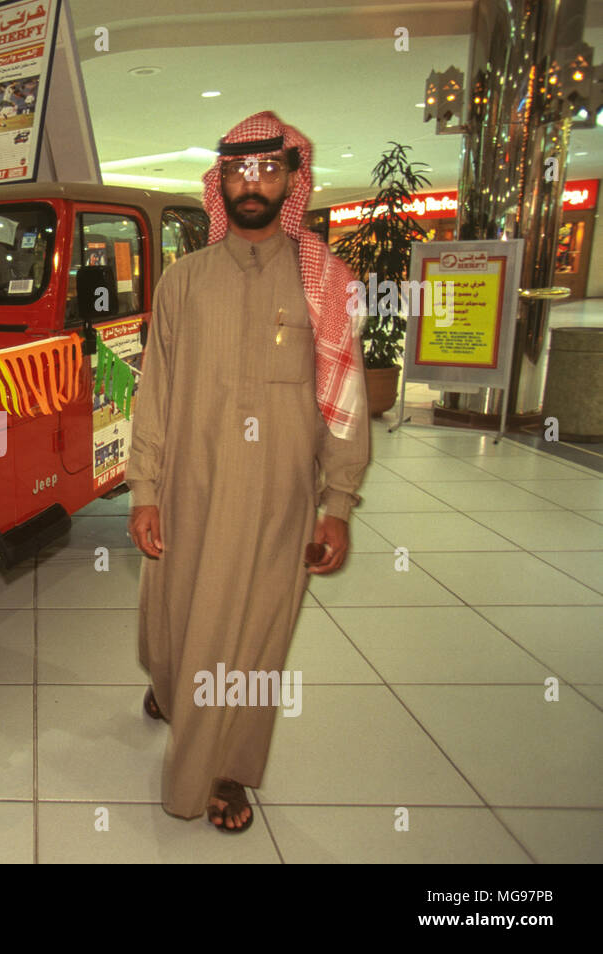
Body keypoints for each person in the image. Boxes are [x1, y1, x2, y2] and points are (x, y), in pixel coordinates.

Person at [126, 111, 370, 833]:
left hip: (278, 502)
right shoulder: (185, 280)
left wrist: (338, 504)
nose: (252, 184)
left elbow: (347, 403)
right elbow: (155, 396)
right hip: (190, 493)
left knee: (255, 640)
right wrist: (145, 491)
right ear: (220, 182)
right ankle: (171, 688)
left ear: (293, 178)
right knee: (177, 629)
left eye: (267, 170)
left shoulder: (324, 283)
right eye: (238, 171)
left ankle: (225, 771)